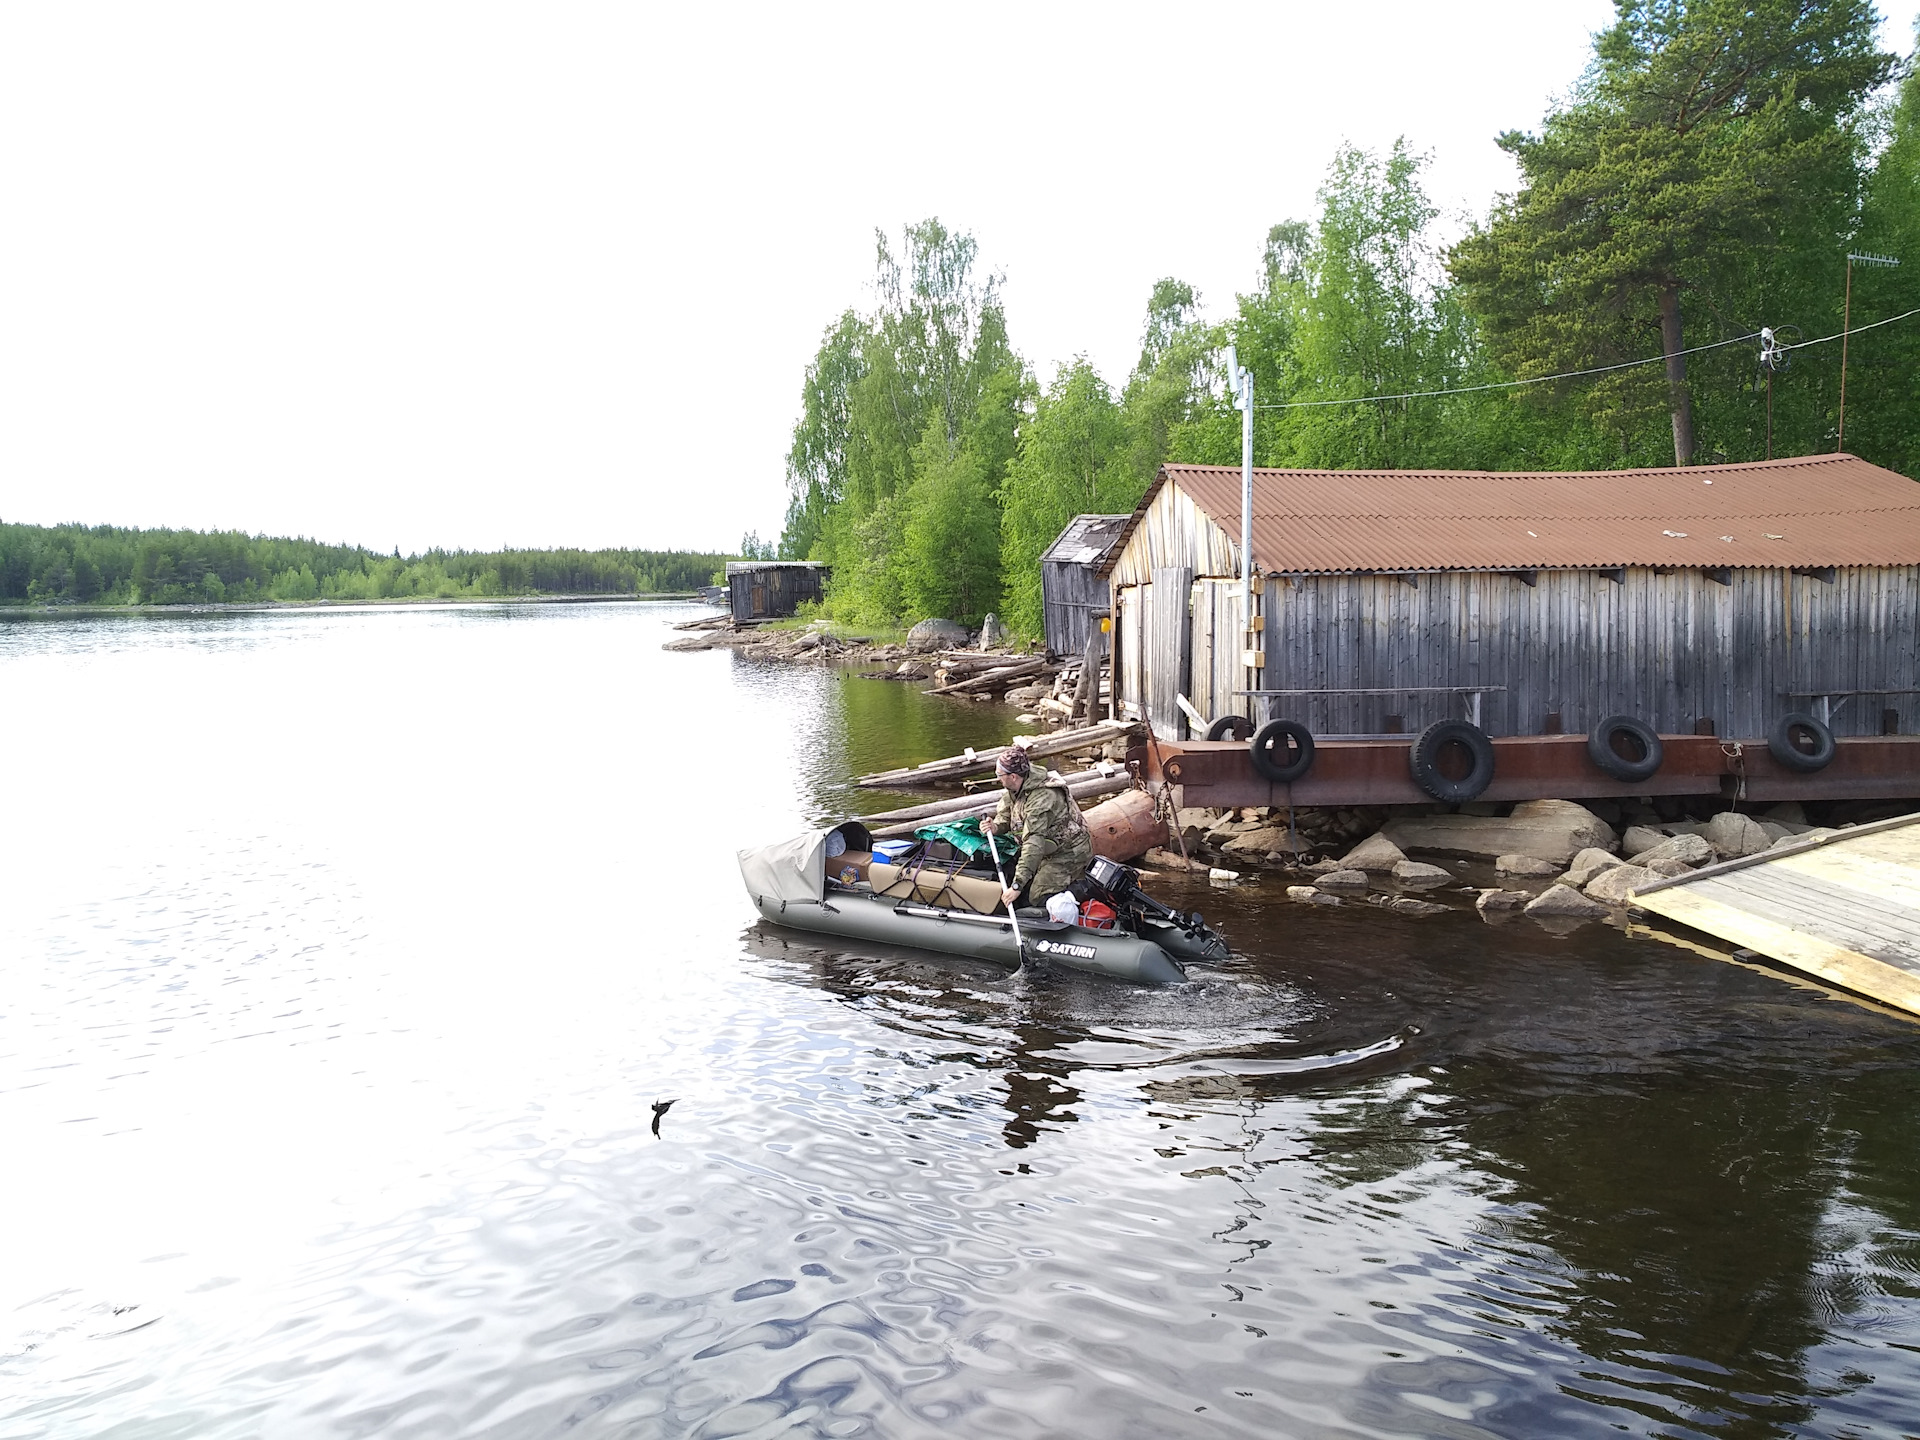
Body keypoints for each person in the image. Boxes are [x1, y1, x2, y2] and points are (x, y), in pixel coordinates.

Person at [979, 746, 1092, 910]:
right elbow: (1006, 814)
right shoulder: (1016, 787)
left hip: (1068, 851)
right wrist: (995, 826)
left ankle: (1082, 890)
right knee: (1021, 881)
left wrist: (1017, 885)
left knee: (1037, 896)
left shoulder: (1041, 798)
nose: (997, 778)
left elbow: (1033, 843)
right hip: (1048, 848)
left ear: (1013, 776)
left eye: (999, 775)